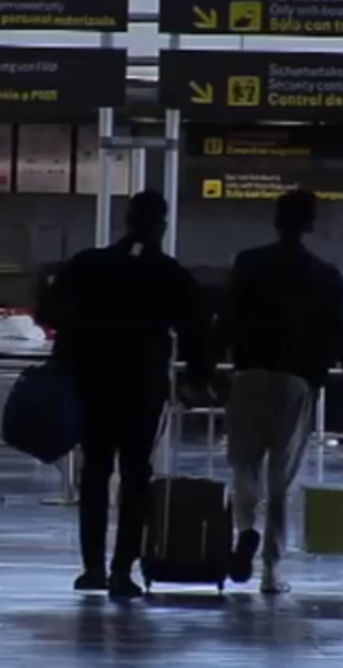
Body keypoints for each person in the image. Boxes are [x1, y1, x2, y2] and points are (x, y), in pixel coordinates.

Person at [38, 191, 212, 599]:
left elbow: (49, 312)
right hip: (142, 384)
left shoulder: (87, 264)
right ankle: (122, 570)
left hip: (92, 382)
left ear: (126, 219)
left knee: (95, 471)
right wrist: (197, 378)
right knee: (136, 475)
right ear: (162, 224)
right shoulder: (170, 273)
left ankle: (92, 567)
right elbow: (194, 332)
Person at [211, 189, 343, 594]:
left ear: (276, 220)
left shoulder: (248, 264)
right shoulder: (326, 275)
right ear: (311, 224)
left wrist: (203, 369)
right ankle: (270, 572)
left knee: (243, 464)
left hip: (248, 374)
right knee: (281, 476)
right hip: (296, 382)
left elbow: (224, 320)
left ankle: (245, 529)